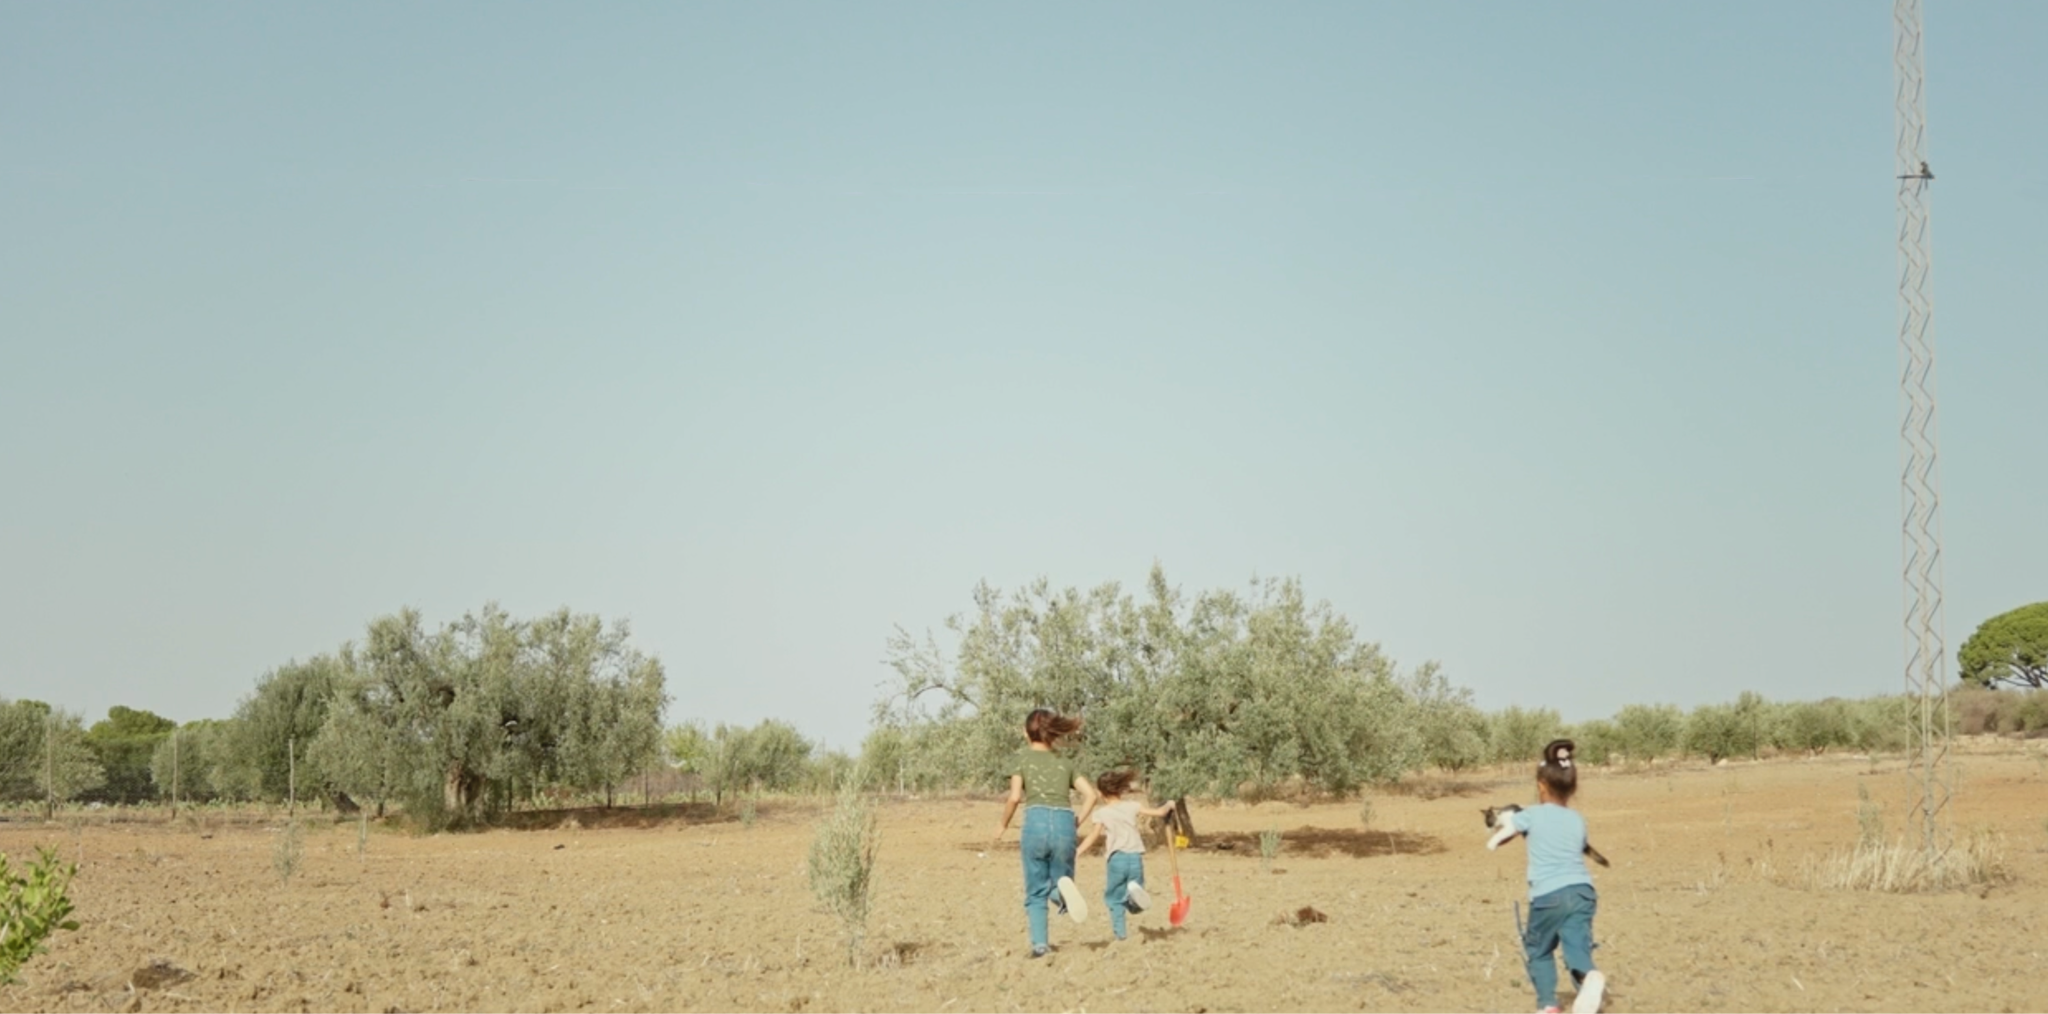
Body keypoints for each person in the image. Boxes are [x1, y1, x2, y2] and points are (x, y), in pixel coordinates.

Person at [1487, 740, 1607, 1014]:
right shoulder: (1577, 819)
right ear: (1572, 787)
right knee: (1576, 945)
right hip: (1583, 892)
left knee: (1539, 950)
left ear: (1541, 785)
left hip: (1548, 895)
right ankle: (1589, 976)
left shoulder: (1531, 814)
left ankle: (1548, 1005)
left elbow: (1509, 831)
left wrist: (1494, 842)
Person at [992, 708, 1099, 958]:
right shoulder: (1065, 762)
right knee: (1061, 880)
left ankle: (1040, 945)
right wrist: (1076, 822)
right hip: (1064, 822)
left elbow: (1015, 797)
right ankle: (1062, 893)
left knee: (1036, 889)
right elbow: (1092, 795)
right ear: (1052, 732)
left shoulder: (1022, 759)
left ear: (1026, 733)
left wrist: (1002, 824)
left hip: (1036, 822)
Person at [1076, 770, 1177, 941]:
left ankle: (1121, 936)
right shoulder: (1132, 806)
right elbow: (1160, 813)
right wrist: (1169, 804)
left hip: (1117, 859)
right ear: (1120, 789)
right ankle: (1134, 901)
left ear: (1100, 793)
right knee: (1134, 892)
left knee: (1114, 899)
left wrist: (1078, 851)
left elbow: (1093, 836)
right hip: (1135, 858)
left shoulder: (1101, 813)